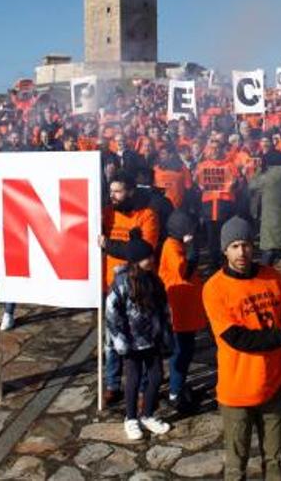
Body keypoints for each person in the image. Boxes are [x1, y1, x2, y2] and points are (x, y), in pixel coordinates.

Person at [203, 217, 281, 481]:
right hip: (236, 392)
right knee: (236, 466)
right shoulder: (214, 288)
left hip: (273, 386)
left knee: (276, 460)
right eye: (235, 245)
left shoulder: (271, 277)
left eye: (247, 244)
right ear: (225, 250)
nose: (242, 252)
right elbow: (237, 338)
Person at [105, 232, 174, 441]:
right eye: (147, 257)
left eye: (151, 256)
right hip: (131, 342)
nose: (151, 260)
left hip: (152, 339)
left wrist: (165, 333)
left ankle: (147, 414)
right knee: (133, 378)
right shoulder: (121, 283)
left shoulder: (155, 280)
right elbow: (112, 312)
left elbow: (163, 308)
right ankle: (131, 417)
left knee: (156, 376)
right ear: (136, 261)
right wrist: (120, 340)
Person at [100, 172, 161, 407]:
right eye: (111, 191)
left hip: (138, 286)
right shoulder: (106, 213)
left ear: (131, 191)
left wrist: (109, 245)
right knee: (111, 339)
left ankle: (145, 387)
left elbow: (144, 250)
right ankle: (112, 384)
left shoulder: (147, 215)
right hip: (110, 285)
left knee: (142, 340)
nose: (113, 196)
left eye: (118, 191)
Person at [157, 209, 205, 412]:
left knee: (186, 350)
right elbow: (184, 271)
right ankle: (175, 392)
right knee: (182, 352)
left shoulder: (174, 244)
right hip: (179, 312)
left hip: (185, 309)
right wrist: (192, 247)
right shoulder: (172, 247)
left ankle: (178, 386)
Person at [247, 151, 281, 270]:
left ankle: (263, 279)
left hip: (271, 223)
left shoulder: (267, 177)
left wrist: (258, 170)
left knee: (268, 253)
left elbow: (251, 185)